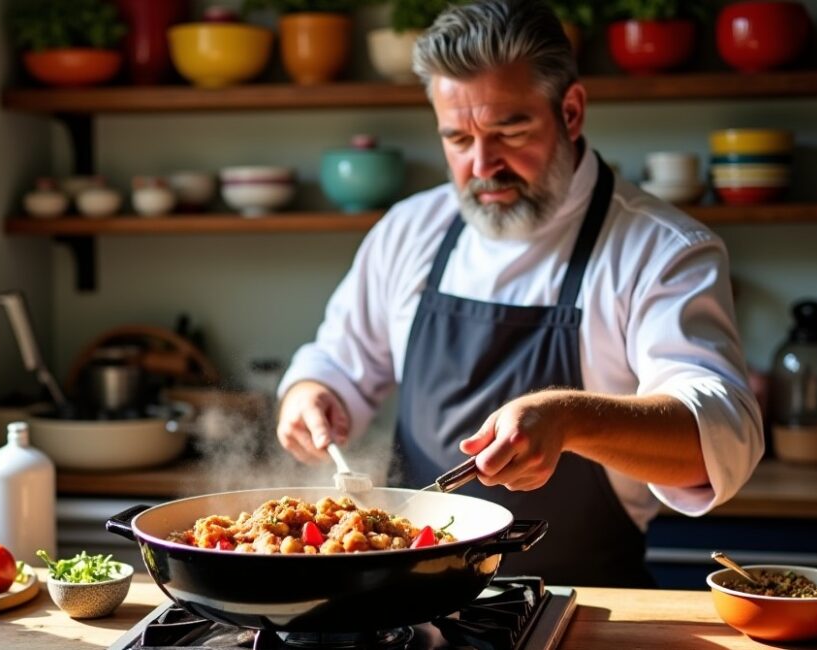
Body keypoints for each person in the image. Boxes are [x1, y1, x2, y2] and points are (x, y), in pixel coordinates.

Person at [274, 0, 764, 586]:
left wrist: (569, 419)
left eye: (510, 130)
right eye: (458, 138)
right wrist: (310, 393)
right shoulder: (409, 230)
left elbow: (721, 435)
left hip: (589, 602)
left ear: (571, 111)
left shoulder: (661, 249)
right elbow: (336, 362)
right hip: (410, 601)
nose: (484, 164)